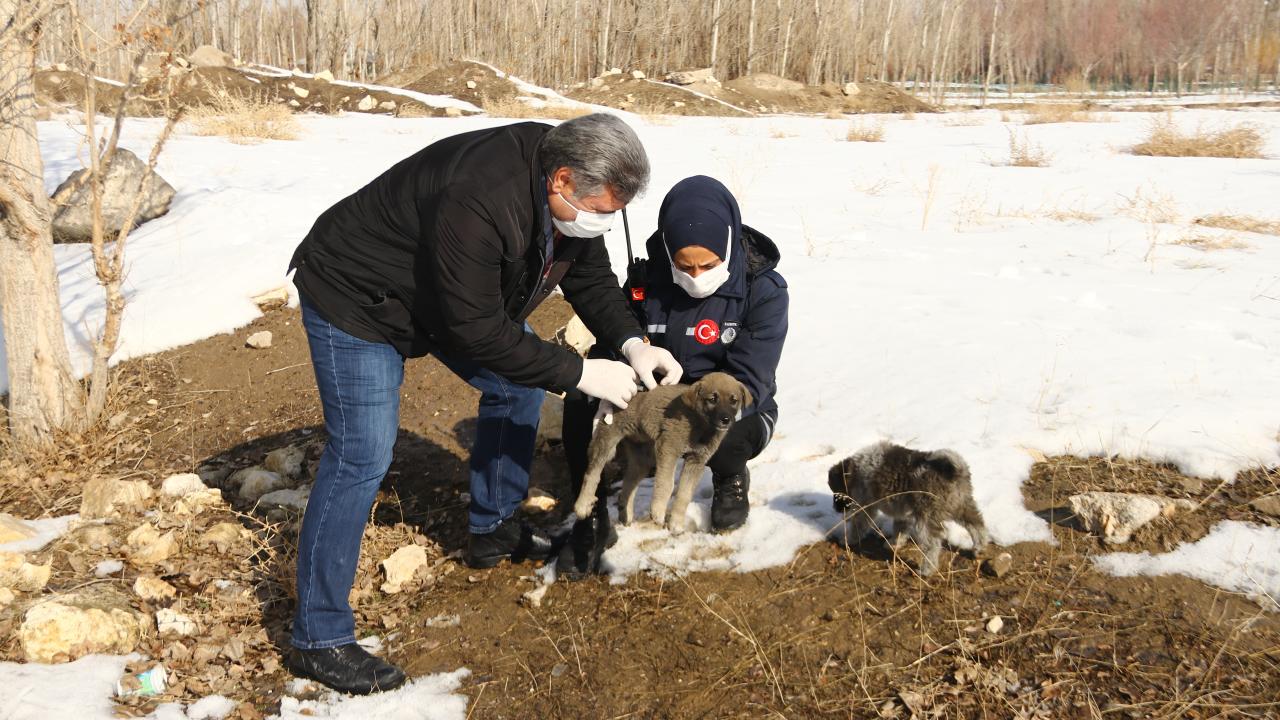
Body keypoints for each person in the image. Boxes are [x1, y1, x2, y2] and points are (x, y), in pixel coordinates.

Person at [284, 114, 683, 694]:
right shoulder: (481, 196)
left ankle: (491, 528)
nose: (605, 221)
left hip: (436, 294)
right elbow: (474, 327)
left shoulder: (566, 188)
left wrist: (633, 344)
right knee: (363, 451)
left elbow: (591, 279)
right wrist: (576, 372)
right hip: (358, 296)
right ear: (562, 180)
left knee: (517, 384)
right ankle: (317, 639)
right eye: (600, 209)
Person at [558, 175, 789, 578]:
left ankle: (730, 476)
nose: (697, 274)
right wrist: (615, 368)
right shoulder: (648, 282)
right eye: (684, 265)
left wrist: (693, 400)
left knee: (727, 430)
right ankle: (590, 509)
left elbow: (751, 376)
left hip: (719, 403)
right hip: (657, 399)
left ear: (730, 246)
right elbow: (615, 337)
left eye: (709, 264)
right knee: (582, 398)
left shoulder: (763, 290)